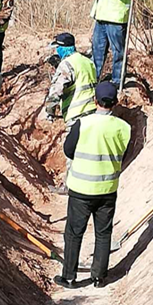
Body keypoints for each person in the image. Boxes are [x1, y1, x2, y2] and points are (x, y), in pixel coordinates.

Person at [53, 82, 131, 289]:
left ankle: (69, 276)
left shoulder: (83, 124)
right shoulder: (124, 127)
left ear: (95, 101)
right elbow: (125, 154)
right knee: (103, 233)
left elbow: (68, 150)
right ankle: (99, 277)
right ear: (115, 103)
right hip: (107, 189)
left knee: (74, 232)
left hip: (81, 189)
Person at [43, 32, 97, 194]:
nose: (56, 51)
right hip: (93, 112)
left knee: (72, 151)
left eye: (57, 48)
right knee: (89, 150)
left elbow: (56, 92)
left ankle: (70, 186)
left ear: (63, 48)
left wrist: (50, 110)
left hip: (77, 114)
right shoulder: (88, 62)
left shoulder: (67, 65)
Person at [90, 0, 136, 86]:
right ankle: (93, 79)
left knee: (118, 52)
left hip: (116, 19)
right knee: (97, 51)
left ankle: (117, 82)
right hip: (102, 18)